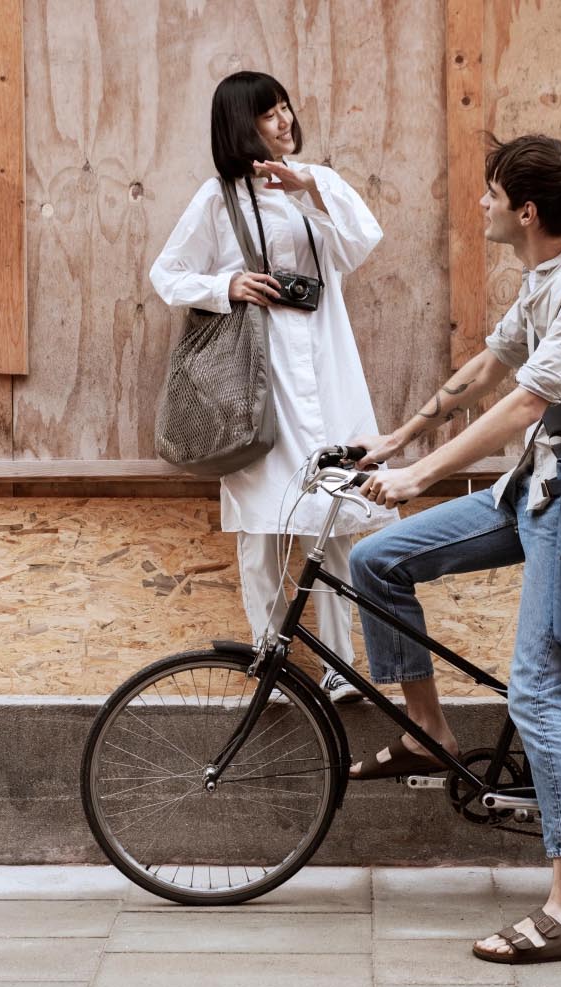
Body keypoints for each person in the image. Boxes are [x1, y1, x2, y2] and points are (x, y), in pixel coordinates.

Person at [349, 133, 561, 965]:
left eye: (490, 193)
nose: (480, 204)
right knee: (376, 562)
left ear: (525, 211)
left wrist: (419, 477)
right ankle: (429, 731)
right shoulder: (545, 276)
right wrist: (397, 439)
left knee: (536, 693)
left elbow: (525, 402)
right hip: (535, 488)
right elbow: (491, 364)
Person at [149, 71, 397, 704]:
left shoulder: (317, 183)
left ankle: (340, 666)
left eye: (286, 108)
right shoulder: (219, 198)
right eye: (268, 114)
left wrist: (310, 187)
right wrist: (224, 286)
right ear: (242, 125)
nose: (284, 121)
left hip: (326, 363)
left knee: (332, 518)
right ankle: (270, 661)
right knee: (261, 527)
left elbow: (360, 243)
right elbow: (167, 273)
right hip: (257, 381)